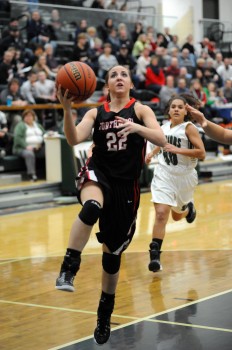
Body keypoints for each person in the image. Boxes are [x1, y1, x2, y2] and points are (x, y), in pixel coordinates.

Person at [55, 65, 166, 345]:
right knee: (91, 207)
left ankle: (104, 314)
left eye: (124, 75)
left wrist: (138, 127)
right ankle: (69, 267)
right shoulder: (96, 112)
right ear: (105, 85)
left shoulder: (140, 110)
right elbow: (73, 138)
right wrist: (68, 110)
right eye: (113, 75)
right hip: (98, 172)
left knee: (112, 256)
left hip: (126, 187)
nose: (119, 77)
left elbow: (161, 139)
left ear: (130, 84)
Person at [145, 95, 206, 273]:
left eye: (180, 106)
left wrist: (177, 149)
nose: (177, 109)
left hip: (185, 177)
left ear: (186, 110)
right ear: (169, 110)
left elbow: (201, 153)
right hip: (163, 175)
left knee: (177, 216)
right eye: (173, 107)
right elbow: (162, 142)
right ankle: (155, 254)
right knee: (161, 214)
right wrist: (152, 154)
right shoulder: (163, 127)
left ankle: (188, 209)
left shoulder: (189, 128)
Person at [13, 109, 45, 181]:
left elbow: (44, 134)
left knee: (49, 151)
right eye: (26, 116)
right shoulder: (20, 126)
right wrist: (26, 146)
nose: (29, 117)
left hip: (38, 148)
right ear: (23, 117)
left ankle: (50, 172)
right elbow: (18, 138)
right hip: (22, 148)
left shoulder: (38, 125)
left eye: (30, 116)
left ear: (34, 117)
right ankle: (32, 175)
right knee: (29, 154)